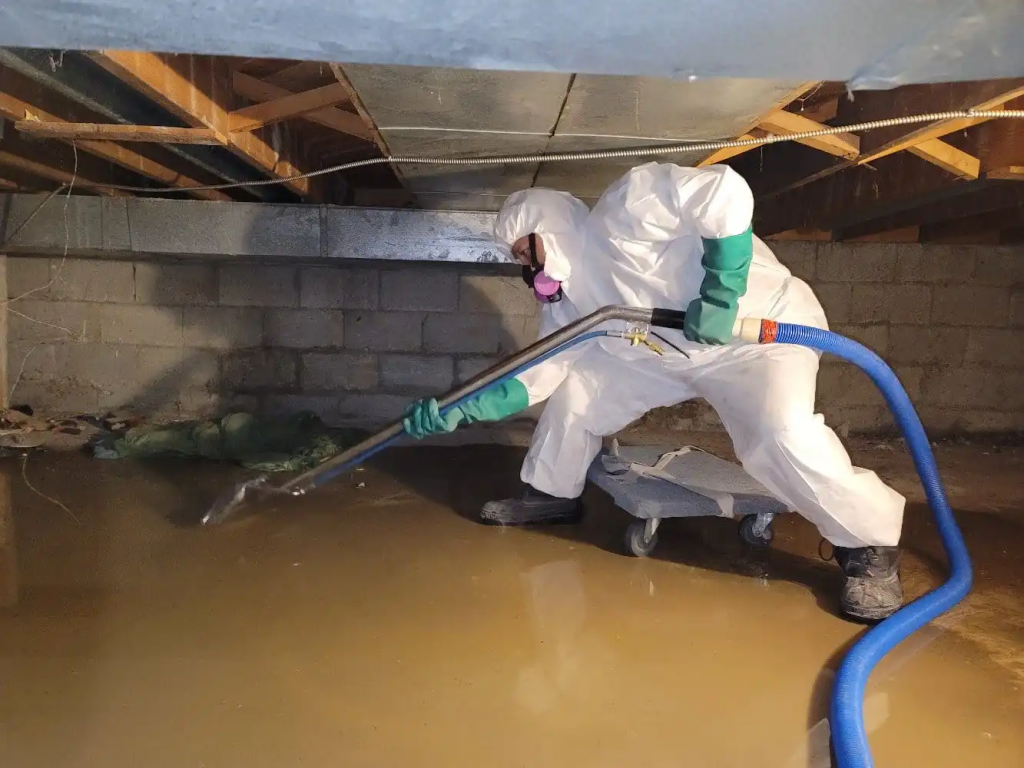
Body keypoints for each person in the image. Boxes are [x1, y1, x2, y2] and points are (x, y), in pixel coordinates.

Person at [401, 162, 905, 622]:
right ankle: (551, 492)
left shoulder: (624, 210)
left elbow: (723, 192)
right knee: (578, 393)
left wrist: (721, 294)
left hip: (754, 334)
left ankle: (869, 547)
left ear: (542, 228)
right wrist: (459, 410)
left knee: (778, 436)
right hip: (662, 355)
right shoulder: (568, 306)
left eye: (521, 252)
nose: (525, 269)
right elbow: (538, 373)